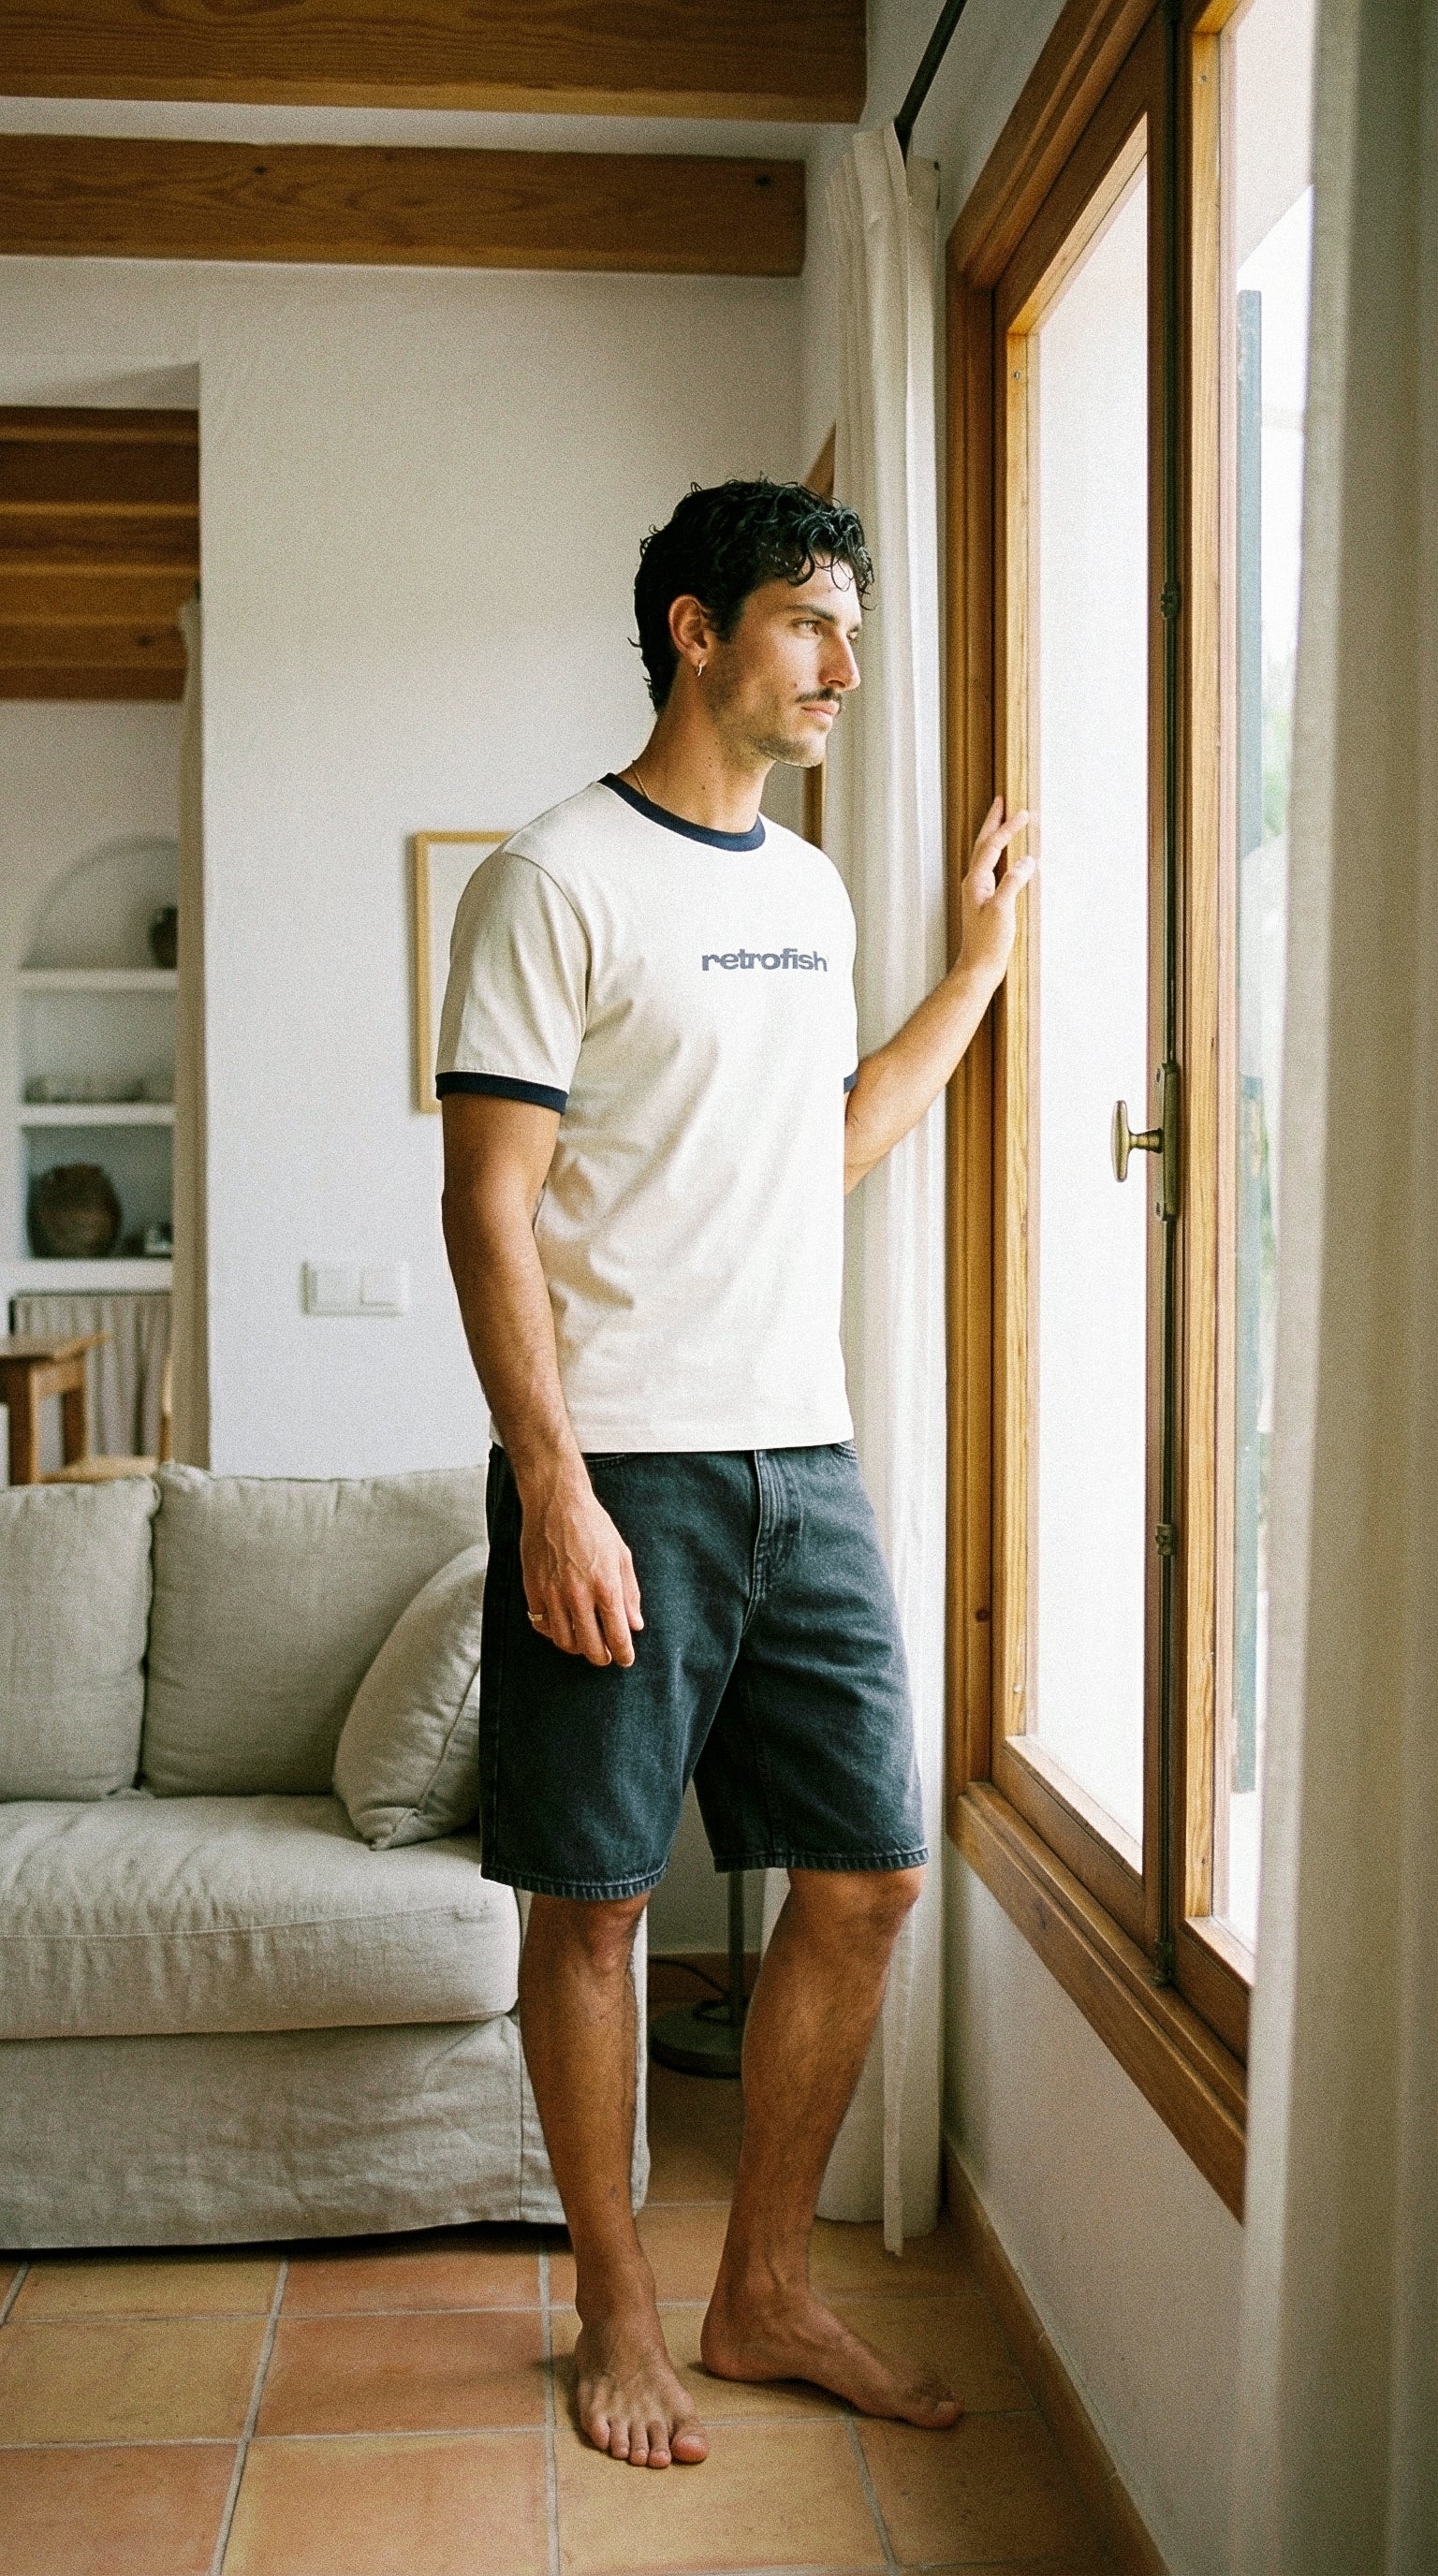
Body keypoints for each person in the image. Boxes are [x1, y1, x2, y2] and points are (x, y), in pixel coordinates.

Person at [438, 478, 1032, 2471]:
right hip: (623, 1465)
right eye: (807, 620)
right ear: (696, 631)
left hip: (808, 1458)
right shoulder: (552, 878)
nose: (844, 663)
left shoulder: (811, 891)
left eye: (852, 626)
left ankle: (762, 2286)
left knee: (869, 1872)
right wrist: (553, 1487)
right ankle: (617, 2307)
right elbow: (489, 1204)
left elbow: (827, 1143)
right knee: (600, 1904)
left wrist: (978, 967)